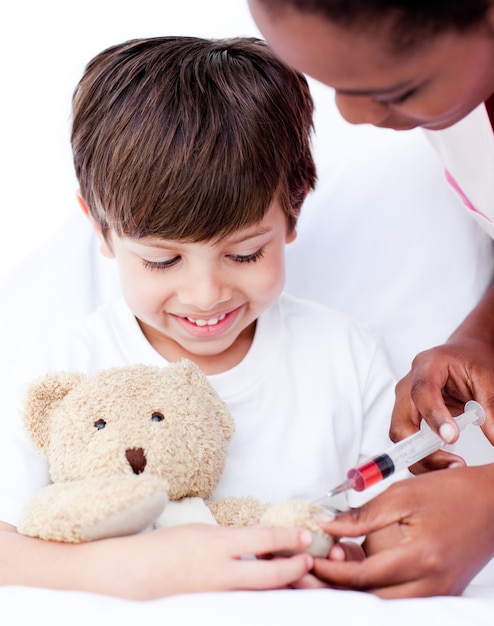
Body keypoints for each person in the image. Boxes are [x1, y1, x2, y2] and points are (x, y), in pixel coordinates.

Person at [0, 35, 398, 599]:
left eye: (244, 254)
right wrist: (133, 571)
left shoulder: (347, 359)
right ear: (100, 229)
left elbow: (396, 522)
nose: (206, 294)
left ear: (292, 210)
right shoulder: (60, 369)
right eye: (163, 260)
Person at [247, 0, 494, 598]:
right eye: (331, 84)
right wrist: (480, 338)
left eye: (399, 87)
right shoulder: (457, 100)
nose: (354, 114)